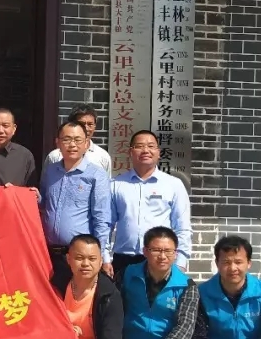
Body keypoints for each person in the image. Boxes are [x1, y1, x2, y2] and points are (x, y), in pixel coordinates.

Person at [110, 130, 192, 281]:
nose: (145, 150)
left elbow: (182, 227)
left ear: (158, 152)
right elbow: (106, 224)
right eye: (139, 146)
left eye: (151, 146)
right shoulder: (116, 184)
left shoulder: (173, 185)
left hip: (160, 259)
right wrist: (104, 257)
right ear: (130, 152)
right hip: (124, 259)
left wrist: (180, 262)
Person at [39, 120, 112, 280]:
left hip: (80, 256)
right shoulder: (50, 171)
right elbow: (42, 204)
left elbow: (102, 219)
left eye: (78, 140)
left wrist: (100, 256)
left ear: (86, 144)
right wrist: (22, 194)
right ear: (58, 143)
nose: (72, 144)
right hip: (48, 253)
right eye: (66, 139)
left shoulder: (96, 175)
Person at [44, 105, 112, 174]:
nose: (86, 128)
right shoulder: (55, 156)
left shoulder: (103, 156)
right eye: (81, 124)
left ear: (95, 126)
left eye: (90, 124)